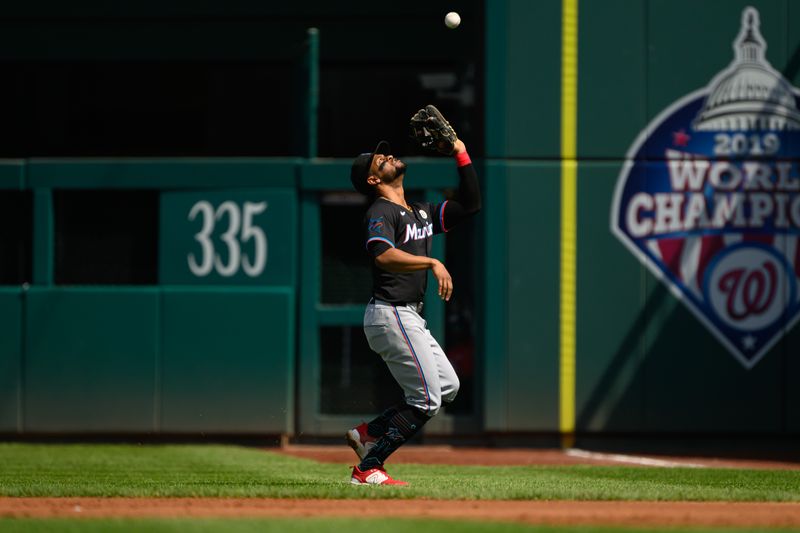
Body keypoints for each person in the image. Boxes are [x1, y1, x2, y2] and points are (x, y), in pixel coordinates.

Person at [346, 137, 481, 485]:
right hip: (391, 313)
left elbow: (470, 205)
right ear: (374, 180)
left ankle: (369, 433)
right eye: (380, 161)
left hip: (408, 317)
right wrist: (432, 261)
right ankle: (367, 469)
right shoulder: (380, 211)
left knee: (448, 387)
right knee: (426, 400)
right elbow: (382, 254)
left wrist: (460, 152)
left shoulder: (419, 212)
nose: (389, 156)